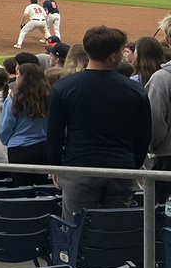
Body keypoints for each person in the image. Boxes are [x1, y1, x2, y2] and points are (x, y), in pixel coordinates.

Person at [47, 25, 152, 221]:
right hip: (119, 169)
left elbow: (54, 133)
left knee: (75, 232)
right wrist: (130, 164)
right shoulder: (134, 90)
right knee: (114, 229)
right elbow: (143, 136)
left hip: (79, 168)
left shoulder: (65, 88)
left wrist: (56, 166)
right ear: (113, 56)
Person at [0, 62, 52, 186]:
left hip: (19, 149)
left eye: (18, 74)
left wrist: (8, 141)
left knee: (21, 188)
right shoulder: (48, 96)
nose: (16, 76)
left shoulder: (14, 98)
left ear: (24, 77)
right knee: (41, 188)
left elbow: (5, 127)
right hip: (43, 147)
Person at [145, 14, 171, 204]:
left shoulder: (162, 78)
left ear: (168, 39)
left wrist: (153, 147)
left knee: (160, 218)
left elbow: (154, 125)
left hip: (167, 159)